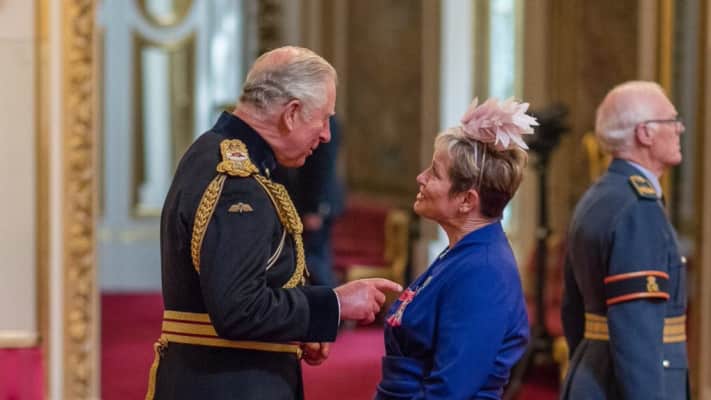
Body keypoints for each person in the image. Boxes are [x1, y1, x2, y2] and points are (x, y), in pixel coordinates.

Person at [144, 46, 402, 400]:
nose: (326, 135)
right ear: (291, 114)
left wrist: (301, 325)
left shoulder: (215, 151)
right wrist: (335, 304)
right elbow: (239, 308)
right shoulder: (238, 182)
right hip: (229, 386)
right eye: (322, 119)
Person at [375, 98, 535, 399]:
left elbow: (449, 391)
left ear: (466, 200)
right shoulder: (464, 253)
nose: (421, 178)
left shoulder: (484, 273)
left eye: (434, 173)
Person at [561, 81, 688, 399]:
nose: (680, 128)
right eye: (672, 120)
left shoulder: (599, 197)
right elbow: (637, 329)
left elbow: (572, 310)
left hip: (593, 373)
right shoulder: (637, 208)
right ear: (645, 133)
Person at [273, 116, 345, 287]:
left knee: (315, 261)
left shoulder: (323, 120)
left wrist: (315, 208)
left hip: (316, 206)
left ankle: (330, 299)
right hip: (306, 202)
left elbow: (323, 166)